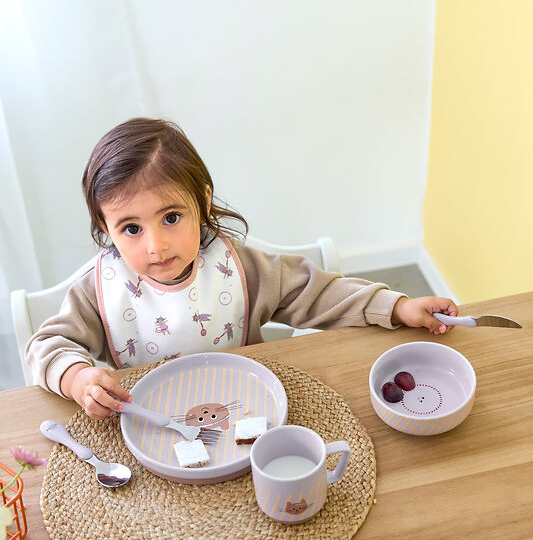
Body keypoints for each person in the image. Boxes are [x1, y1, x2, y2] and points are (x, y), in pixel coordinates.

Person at [26, 117, 458, 420]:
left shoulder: (235, 267)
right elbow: (45, 345)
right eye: (131, 228)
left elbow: (317, 294)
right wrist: (78, 378)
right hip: (148, 425)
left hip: (248, 412)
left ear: (203, 203)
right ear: (106, 228)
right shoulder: (99, 290)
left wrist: (396, 307)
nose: (156, 246)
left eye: (171, 217)